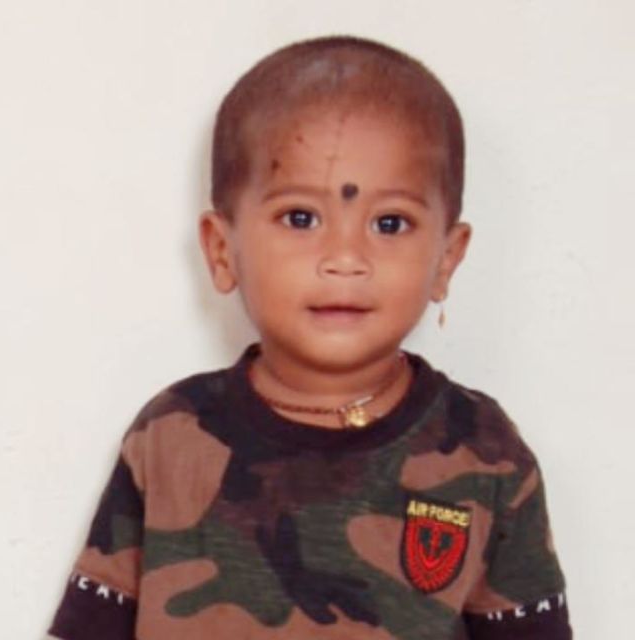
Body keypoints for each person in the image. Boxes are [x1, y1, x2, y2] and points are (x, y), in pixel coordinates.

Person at [47, 36, 572, 640]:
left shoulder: (486, 453)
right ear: (222, 250)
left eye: (390, 223)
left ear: (446, 260)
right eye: (300, 218)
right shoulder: (170, 436)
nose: (345, 258)